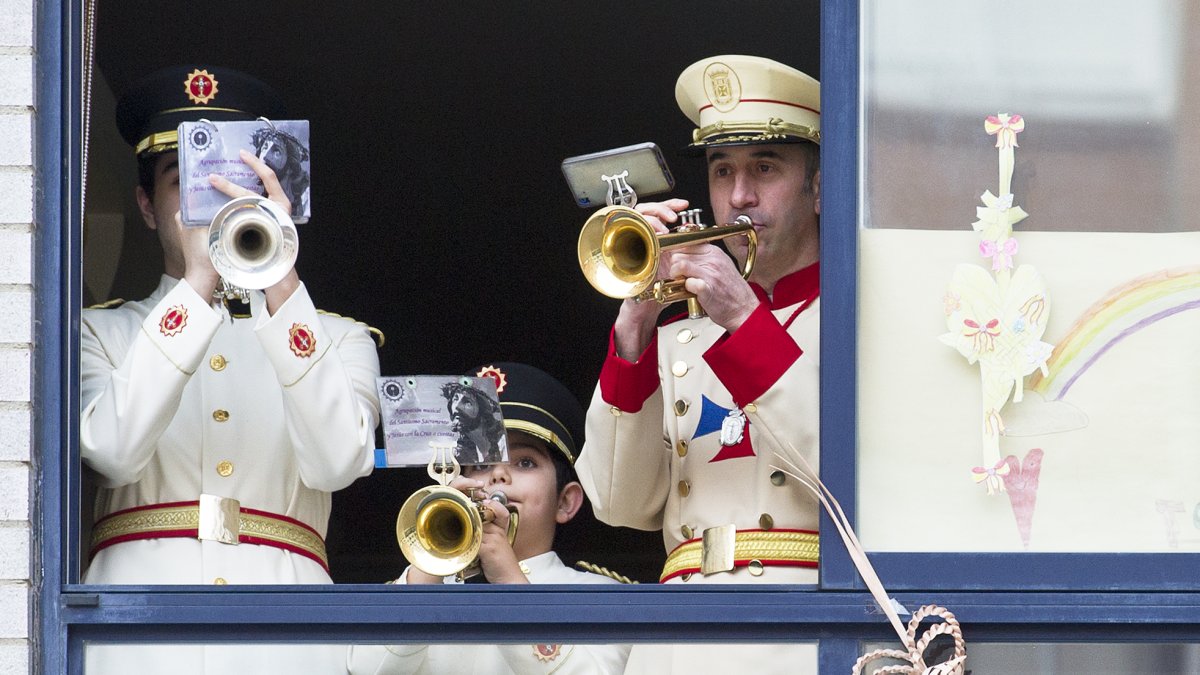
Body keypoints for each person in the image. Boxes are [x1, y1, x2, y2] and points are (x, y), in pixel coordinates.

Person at [80, 65, 382, 673]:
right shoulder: (98, 331)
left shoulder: (341, 337)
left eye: (237, 180)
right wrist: (198, 286)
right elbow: (113, 452)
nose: (215, 196)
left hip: (289, 641)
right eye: (186, 181)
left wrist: (280, 279)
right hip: (136, 641)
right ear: (147, 206)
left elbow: (337, 462)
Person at [574, 55, 823, 672]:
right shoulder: (679, 338)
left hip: (802, 629)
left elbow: (844, 480)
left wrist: (745, 321)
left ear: (819, 188)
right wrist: (634, 329)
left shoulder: (851, 320)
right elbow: (618, 504)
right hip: (679, 637)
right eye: (722, 170)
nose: (739, 197)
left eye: (765, 168)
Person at [349, 362, 632, 675]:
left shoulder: (602, 598)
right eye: (481, 465)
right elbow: (364, 670)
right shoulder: (419, 585)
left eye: (525, 462)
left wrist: (509, 581)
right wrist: (428, 568)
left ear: (565, 501)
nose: (498, 475)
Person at [441, 379, 505, 464]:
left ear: (482, 409)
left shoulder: (504, 442)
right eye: (455, 399)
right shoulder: (464, 452)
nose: (456, 406)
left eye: (467, 402)